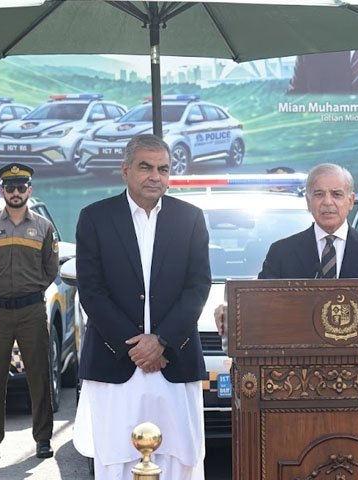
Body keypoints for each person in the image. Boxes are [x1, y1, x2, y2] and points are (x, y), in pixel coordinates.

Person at [73, 134, 211, 480]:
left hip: (174, 362)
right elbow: (91, 291)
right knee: (116, 461)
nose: (155, 176)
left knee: (180, 460)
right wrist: (136, 347)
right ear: (125, 170)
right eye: (146, 167)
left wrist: (161, 341)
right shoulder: (95, 218)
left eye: (163, 169)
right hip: (116, 363)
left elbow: (198, 286)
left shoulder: (190, 218)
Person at [215, 163, 358, 335]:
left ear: (351, 201)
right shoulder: (282, 252)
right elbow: (259, 302)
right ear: (308, 201)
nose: (328, 202)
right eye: (319, 194)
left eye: (336, 194)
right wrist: (230, 310)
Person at [0, 163, 59, 461]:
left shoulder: (44, 227)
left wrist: (30, 289)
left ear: (29, 190)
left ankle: (43, 439)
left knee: (39, 375)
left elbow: (50, 268)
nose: (15, 193)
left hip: (31, 310)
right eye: (10, 188)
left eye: (21, 187)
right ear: (2, 192)